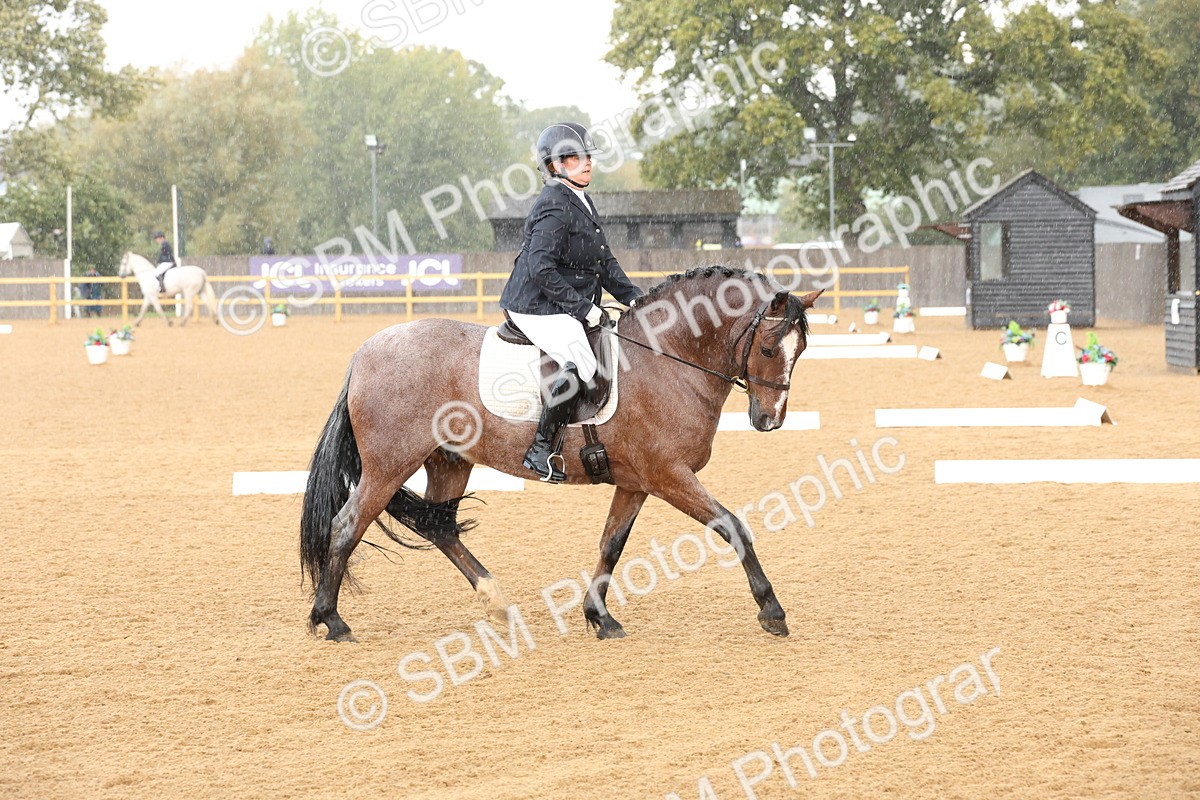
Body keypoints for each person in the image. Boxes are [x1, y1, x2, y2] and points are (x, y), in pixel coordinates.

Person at [499, 122, 644, 483]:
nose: (586, 163)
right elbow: (539, 267)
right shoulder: (553, 204)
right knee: (581, 358)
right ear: (556, 166)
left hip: (558, 299)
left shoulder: (581, 199)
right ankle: (540, 450)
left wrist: (636, 299)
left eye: (587, 156)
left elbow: (604, 262)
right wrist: (584, 308)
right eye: (575, 157)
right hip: (533, 303)